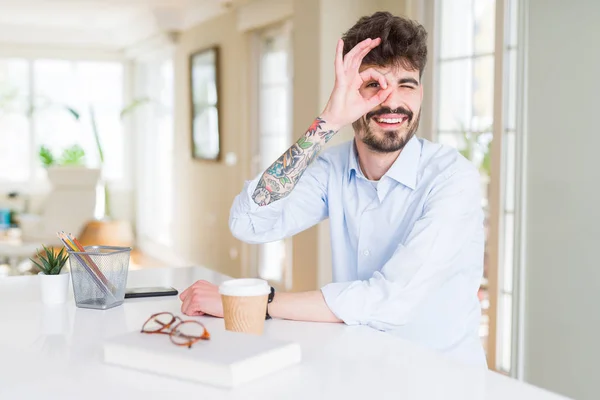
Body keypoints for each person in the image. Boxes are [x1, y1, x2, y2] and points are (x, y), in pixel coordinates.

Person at [180, 11, 486, 368]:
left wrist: (253, 302)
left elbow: (388, 300)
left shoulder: (452, 179)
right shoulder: (333, 168)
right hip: (359, 369)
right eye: (373, 84)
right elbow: (249, 223)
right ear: (349, 91)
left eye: (407, 83)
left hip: (440, 381)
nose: (392, 101)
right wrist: (327, 122)